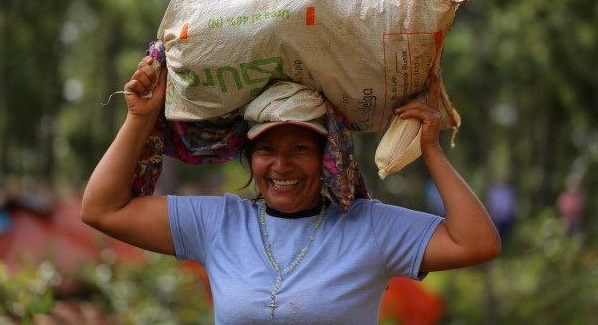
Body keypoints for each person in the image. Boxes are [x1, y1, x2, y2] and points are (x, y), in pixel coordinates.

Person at [81, 55, 501, 324]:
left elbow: (477, 243)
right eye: (266, 149)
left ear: (329, 155)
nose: (281, 165)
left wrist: (429, 150)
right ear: (250, 157)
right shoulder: (219, 223)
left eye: (300, 148)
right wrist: (140, 117)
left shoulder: (369, 226)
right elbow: (102, 209)